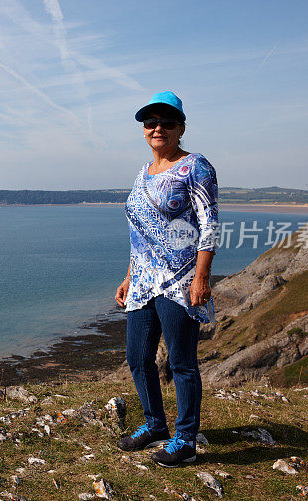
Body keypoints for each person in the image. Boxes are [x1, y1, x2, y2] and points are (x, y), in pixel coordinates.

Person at [114, 91, 219, 468]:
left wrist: (202, 277)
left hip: (180, 279)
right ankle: (155, 425)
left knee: (181, 362)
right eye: (151, 122)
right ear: (144, 131)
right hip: (143, 280)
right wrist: (127, 277)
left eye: (167, 122)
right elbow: (139, 234)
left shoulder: (196, 166)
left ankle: (186, 439)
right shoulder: (142, 173)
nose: (158, 128)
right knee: (138, 358)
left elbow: (209, 226)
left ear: (181, 128)